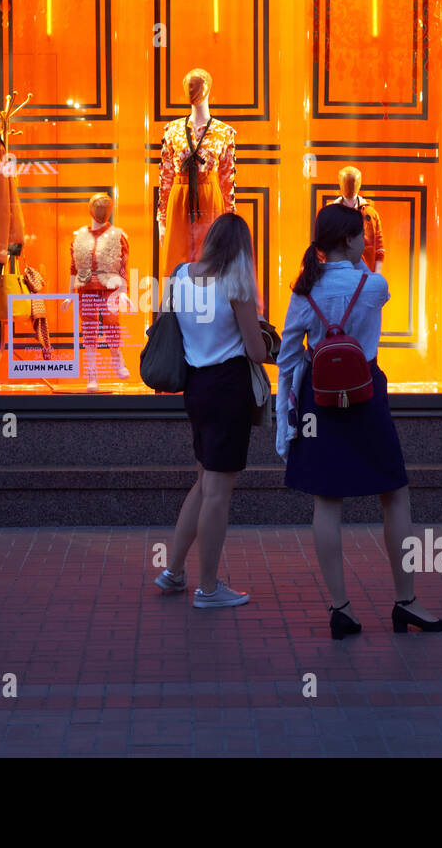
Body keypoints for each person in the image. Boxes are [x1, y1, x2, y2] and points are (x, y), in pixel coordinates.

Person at [275, 204, 442, 639]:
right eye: (360, 237)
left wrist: (286, 425)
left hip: (320, 399)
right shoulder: (375, 285)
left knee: (326, 501)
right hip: (366, 393)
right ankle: (406, 601)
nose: (366, 242)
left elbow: (287, 360)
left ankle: (341, 609)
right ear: (350, 240)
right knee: (394, 493)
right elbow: (367, 287)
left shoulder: (303, 291)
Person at [154, 213, 269, 608]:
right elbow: (256, 350)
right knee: (219, 492)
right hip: (227, 388)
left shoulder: (180, 276)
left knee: (204, 483)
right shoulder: (235, 283)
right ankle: (207, 588)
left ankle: (174, 571)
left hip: (196, 387)